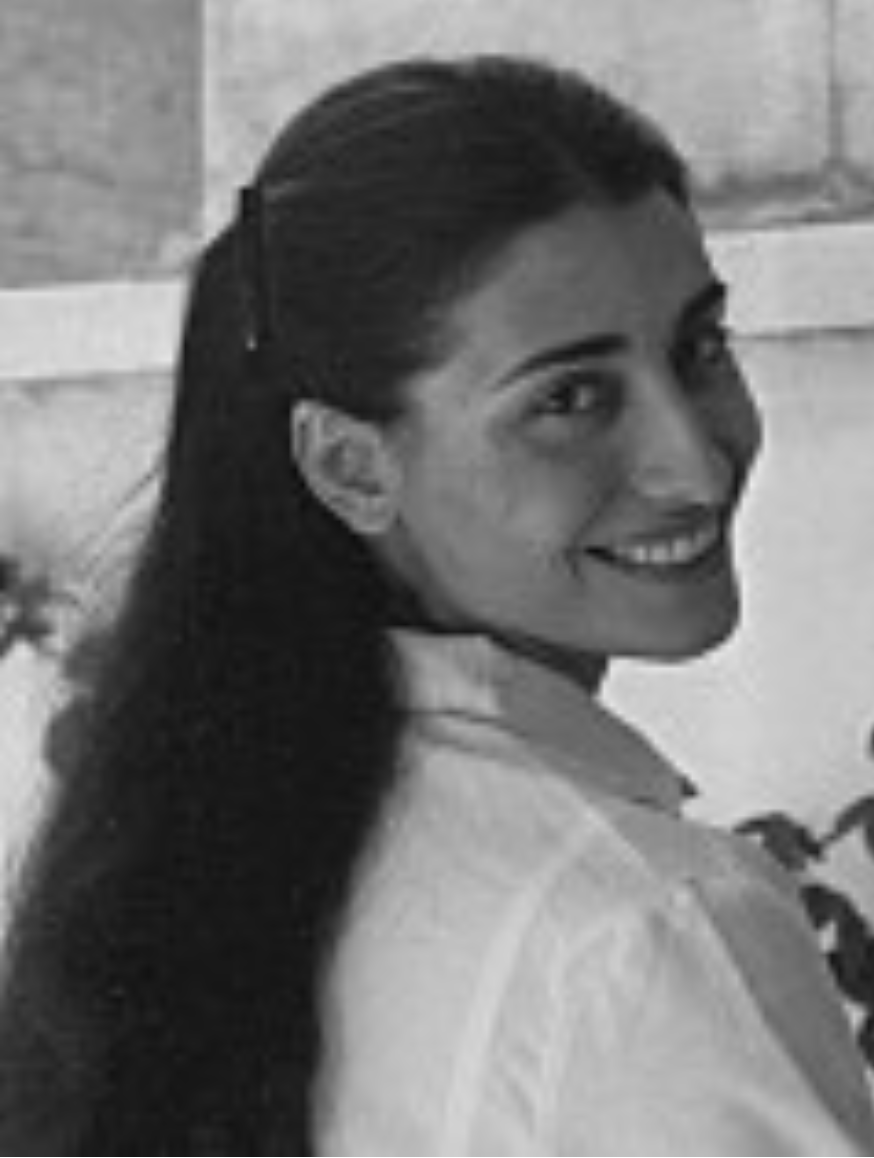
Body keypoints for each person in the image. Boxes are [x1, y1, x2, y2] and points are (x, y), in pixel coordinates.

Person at [0, 54, 870, 1156]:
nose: (695, 464)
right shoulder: (646, 931)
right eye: (571, 398)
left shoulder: (210, 850)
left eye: (699, 349)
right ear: (349, 465)